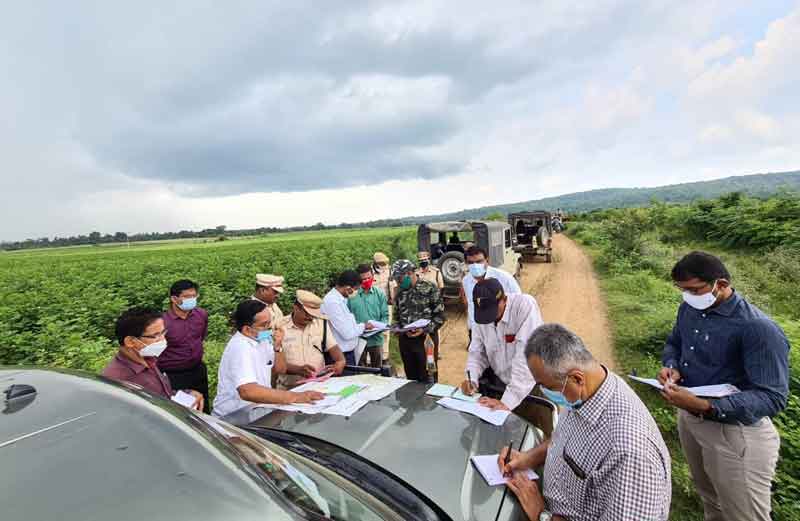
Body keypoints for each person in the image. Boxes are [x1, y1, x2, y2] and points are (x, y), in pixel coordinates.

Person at [658, 251, 789, 521]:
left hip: (735, 434)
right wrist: (672, 365)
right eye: (682, 290)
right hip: (691, 418)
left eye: (694, 290)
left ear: (721, 284)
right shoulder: (690, 308)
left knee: (743, 514)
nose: (688, 296)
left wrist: (706, 406)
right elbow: (675, 342)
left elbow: (772, 397)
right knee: (711, 501)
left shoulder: (757, 328)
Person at [500, 324, 671, 521]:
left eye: (546, 387)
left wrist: (542, 515)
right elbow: (564, 440)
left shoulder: (629, 453)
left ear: (576, 378)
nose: (546, 393)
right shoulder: (587, 391)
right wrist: (528, 458)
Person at [212, 300, 324, 417]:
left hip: (256, 410)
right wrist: (296, 397)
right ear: (247, 330)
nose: (270, 327)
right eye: (264, 325)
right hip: (234, 414)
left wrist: (278, 346)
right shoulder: (240, 347)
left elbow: (280, 369)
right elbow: (247, 391)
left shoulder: (261, 339)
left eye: (270, 322)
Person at [460, 278, 543, 413]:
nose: (489, 318)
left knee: (535, 430)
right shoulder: (481, 316)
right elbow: (477, 352)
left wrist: (507, 402)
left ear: (504, 299)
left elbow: (526, 359)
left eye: (492, 311)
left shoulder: (524, 306)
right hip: (502, 383)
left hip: (532, 386)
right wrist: (472, 379)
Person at [102, 307, 203, 411]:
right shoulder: (116, 381)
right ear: (130, 341)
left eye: (163, 333)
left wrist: (187, 394)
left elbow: (162, 395)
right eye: (155, 336)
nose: (163, 340)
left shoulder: (148, 359)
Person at [276, 290, 347, 389]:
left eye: (313, 315)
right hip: (289, 387)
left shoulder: (321, 324)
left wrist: (340, 362)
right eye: (307, 313)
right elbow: (273, 361)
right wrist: (297, 369)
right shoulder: (279, 326)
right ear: (296, 308)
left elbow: (334, 348)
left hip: (318, 386)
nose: (310, 318)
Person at [159, 279, 211, 413]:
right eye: (187, 297)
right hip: (173, 375)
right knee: (181, 412)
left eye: (194, 296)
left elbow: (201, 337)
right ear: (174, 299)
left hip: (197, 370)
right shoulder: (163, 322)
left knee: (202, 408)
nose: (192, 300)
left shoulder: (201, 315)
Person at [391, 259, 445, 382]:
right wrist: (396, 327)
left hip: (426, 341)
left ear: (410, 273)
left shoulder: (430, 287)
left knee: (429, 376)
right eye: (396, 279)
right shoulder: (399, 292)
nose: (398, 282)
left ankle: (430, 401)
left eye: (399, 278)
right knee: (411, 378)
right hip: (406, 341)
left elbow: (440, 316)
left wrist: (424, 329)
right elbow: (396, 316)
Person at [462, 246, 521, 337]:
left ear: (487, 260)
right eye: (470, 263)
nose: (475, 265)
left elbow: (517, 303)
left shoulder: (504, 278)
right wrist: (471, 327)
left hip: (500, 329)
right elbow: (470, 305)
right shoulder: (466, 281)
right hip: (476, 329)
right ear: (466, 263)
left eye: (479, 261)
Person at [320, 270, 376, 366]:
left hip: (347, 354)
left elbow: (348, 325)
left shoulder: (340, 300)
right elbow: (347, 333)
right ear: (348, 288)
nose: (356, 292)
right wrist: (363, 327)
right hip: (339, 357)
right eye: (356, 289)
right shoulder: (332, 302)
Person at [348, 264, 389, 368]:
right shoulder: (351, 297)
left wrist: (379, 326)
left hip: (376, 338)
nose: (367, 280)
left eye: (369, 277)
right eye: (363, 279)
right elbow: (348, 317)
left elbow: (385, 315)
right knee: (360, 369)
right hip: (358, 339)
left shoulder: (379, 294)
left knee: (377, 369)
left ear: (373, 276)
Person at [416, 251, 444, 360]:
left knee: (435, 328)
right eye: (421, 259)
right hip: (421, 306)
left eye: (425, 258)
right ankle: (424, 350)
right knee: (422, 327)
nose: (423, 261)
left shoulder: (436, 272)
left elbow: (441, 288)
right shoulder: (416, 274)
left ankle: (437, 351)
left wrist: (437, 302)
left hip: (434, 305)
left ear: (428, 259)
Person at [373, 251, 395, 363]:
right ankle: (372, 358)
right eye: (381, 264)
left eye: (384, 263)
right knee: (375, 331)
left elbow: (393, 287)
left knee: (386, 331)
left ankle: (385, 357)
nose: (383, 266)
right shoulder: (371, 274)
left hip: (386, 305)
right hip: (373, 306)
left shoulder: (389, 271)